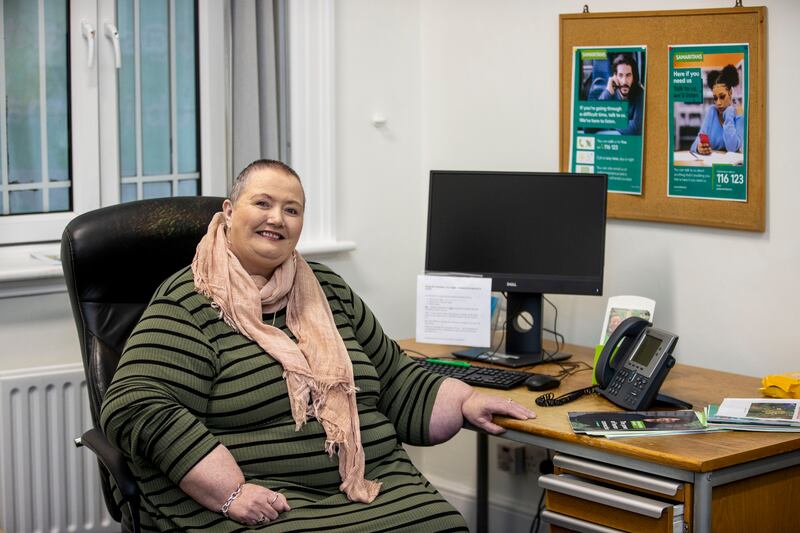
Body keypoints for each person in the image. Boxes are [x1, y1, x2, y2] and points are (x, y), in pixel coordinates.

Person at [100, 159, 536, 531]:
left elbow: (395, 376)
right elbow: (135, 404)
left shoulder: (325, 287)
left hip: (365, 483)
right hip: (268, 501)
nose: (277, 219)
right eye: (263, 203)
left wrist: (465, 401)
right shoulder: (192, 299)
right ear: (230, 212)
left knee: (442, 525)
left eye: (292, 209)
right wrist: (231, 492)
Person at [690, 64, 744, 154]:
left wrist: (729, 114)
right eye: (715, 98)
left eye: (722, 97)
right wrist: (698, 148)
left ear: (730, 93)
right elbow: (693, 146)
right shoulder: (712, 111)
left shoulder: (739, 113)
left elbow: (733, 148)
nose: (718, 103)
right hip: (709, 163)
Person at [598, 54, 644, 135]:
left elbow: (635, 128)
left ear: (633, 78)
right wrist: (607, 93)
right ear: (615, 76)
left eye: (628, 75)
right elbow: (589, 126)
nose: (624, 81)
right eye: (620, 75)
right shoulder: (609, 93)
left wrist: (608, 119)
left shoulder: (639, 93)